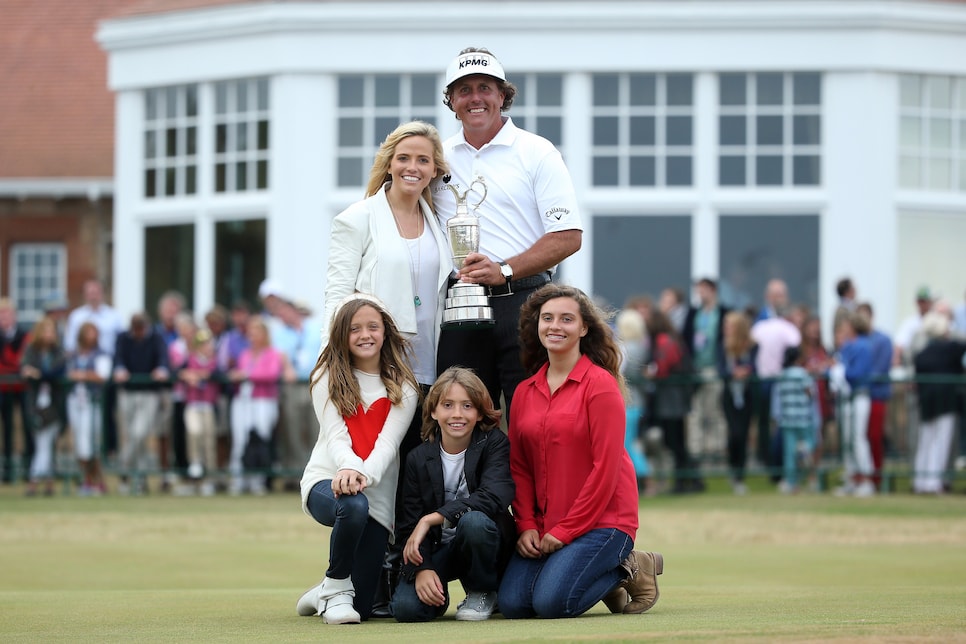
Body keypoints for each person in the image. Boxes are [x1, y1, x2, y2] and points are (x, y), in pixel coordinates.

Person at [322, 119, 453, 615]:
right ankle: (360, 584)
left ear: (434, 168)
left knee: (413, 481)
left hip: (429, 371)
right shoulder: (356, 219)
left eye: (423, 159)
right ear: (389, 163)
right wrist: (332, 374)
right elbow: (336, 299)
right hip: (373, 373)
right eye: (404, 158)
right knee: (373, 475)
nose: (412, 167)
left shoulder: (439, 220)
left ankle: (403, 573)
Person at [498, 284, 663, 619]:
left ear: (584, 328)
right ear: (537, 325)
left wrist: (566, 531)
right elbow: (520, 466)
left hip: (604, 521)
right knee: (514, 605)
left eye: (566, 319)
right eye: (547, 318)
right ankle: (602, 577)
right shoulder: (525, 392)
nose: (555, 326)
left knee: (552, 604)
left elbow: (606, 468)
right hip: (546, 524)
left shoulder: (600, 385)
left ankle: (629, 566)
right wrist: (527, 524)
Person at [434, 46, 582, 417]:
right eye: (464, 90)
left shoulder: (537, 151)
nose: (475, 98)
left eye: (485, 87)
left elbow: (568, 236)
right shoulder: (436, 157)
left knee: (533, 422)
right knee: (461, 422)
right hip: (458, 305)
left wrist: (505, 270)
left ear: (503, 95)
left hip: (525, 302)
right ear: (451, 101)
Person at [296, 294, 420, 624]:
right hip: (327, 480)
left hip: (376, 496)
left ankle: (325, 588)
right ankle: (336, 585)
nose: (365, 335)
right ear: (342, 335)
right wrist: (348, 469)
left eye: (372, 327)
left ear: (385, 332)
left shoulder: (403, 385)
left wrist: (360, 475)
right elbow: (336, 437)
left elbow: (387, 445)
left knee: (362, 609)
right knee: (352, 505)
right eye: (355, 329)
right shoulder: (326, 376)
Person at [391, 366, 515, 622]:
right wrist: (423, 568)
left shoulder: (494, 443)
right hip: (441, 549)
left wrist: (432, 517)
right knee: (406, 609)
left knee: (474, 521)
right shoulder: (417, 458)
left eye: (467, 406)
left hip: (483, 542)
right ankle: (438, 596)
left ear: (479, 412)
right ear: (434, 411)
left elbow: (495, 496)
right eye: (448, 405)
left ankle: (482, 590)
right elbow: (409, 523)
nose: (457, 414)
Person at [227, 315, 285, 496]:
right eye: (250, 333)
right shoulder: (245, 355)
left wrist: (246, 375)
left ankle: (258, 480)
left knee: (261, 438)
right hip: (243, 400)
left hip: (264, 401)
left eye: (256, 332)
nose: (252, 336)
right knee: (240, 439)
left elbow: (271, 374)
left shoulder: (273, 354)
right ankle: (238, 479)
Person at [113, 312, 170, 495]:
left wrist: (161, 370)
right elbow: (118, 358)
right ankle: (140, 480)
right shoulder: (123, 338)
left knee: (140, 433)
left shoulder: (156, 337)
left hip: (149, 393)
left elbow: (163, 358)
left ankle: (123, 468)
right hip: (127, 393)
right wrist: (120, 370)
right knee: (133, 436)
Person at [647, 309, 703, 494]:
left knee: (675, 442)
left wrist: (652, 373)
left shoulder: (663, 341)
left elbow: (663, 368)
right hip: (676, 398)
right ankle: (690, 480)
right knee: (678, 442)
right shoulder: (671, 338)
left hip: (671, 399)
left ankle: (688, 481)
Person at [911, 312, 966, 494]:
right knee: (940, 442)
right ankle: (933, 482)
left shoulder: (922, 354)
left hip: (927, 402)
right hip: (946, 402)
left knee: (926, 441)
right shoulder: (952, 348)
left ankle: (921, 481)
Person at [751, 300, 802, 480]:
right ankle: (778, 466)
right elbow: (795, 350)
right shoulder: (789, 329)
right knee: (782, 425)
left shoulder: (759, 327)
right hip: (783, 381)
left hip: (762, 381)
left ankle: (767, 461)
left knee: (764, 423)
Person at [682, 277, 730, 462]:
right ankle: (696, 450)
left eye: (704, 290)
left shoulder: (723, 312)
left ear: (713, 290)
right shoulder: (694, 313)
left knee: (715, 410)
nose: (700, 294)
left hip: (714, 368)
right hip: (696, 369)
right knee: (695, 411)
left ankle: (715, 449)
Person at [20, 317, 67, 497]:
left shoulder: (58, 352)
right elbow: (24, 368)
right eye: (47, 331)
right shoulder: (31, 350)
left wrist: (38, 373)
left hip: (54, 403)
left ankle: (37, 482)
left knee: (47, 443)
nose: (50, 335)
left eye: (52, 331)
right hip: (35, 403)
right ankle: (44, 482)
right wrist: (31, 372)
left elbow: (56, 372)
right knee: (42, 443)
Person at [830, 313, 876, 497]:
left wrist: (839, 371)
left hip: (859, 395)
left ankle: (866, 479)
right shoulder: (847, 346)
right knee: (847, 439)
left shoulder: (863, 346)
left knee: (858, 438)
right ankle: (851, 478)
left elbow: (856, 372)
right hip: (845, 396)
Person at [66, 322, 113, 496]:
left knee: (91, 443)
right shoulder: (74, 354)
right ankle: (86, 479)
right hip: (75, 400)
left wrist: (83, 375)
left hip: (92, 402)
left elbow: (102, 376)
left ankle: (98, 480)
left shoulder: (101, 354)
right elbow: (68, 373)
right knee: (79, 442)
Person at [717, 310, 757, 495]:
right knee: (734, 433)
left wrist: (746, 371)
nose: (726, 329)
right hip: (730, 395)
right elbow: (721, 369)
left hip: (747, 395)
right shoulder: (722, 347)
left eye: (730, 325)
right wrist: (733, 373)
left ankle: (740, 475)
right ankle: (733, 469)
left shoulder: (751, 346)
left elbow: (756, 366)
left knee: (744, 433)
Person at [771, 346, 819, 494]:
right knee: (809, 444)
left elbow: (777, 399)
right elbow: (810, 393)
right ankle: (804, 453)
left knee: (789, 453)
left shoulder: (782, 376)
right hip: (803, 417)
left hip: (787, 419)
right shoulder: (803, 374)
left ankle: (791, 482)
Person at [614, 308, 652, 492]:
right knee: (632, 442)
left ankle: (645, 479)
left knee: (627, 444)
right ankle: (645, 480)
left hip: (628, 400)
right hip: (636, 400)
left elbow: (619, 372)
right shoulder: (641, 346)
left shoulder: (627, 348)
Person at [856, 303, 894, 489]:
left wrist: (860, 378)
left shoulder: (883, 340)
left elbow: (879, 369)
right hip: (860, 396)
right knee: (858, 437)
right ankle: (859, 476)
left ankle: (876, 477)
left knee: (874, 436)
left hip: (876, 395)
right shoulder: (855, 341)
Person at [180, 329, 221, 496]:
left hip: (208, 405)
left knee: (208, 440)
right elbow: (179, 371)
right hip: (193, 404)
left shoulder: (214, 362)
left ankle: (210, 477)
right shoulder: (190, 360)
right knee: (194, 432)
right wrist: (189, 375)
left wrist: (204, 375)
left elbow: (218, 374)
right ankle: (195, 466)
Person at [0, 297, 31, 483]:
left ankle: (28, 469)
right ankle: (7, 471)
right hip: (3, 388)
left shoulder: (24, 335)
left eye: (8, 314)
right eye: (2, 314)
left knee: (27, 427)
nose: (5, 318)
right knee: (7, 430)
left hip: (22, 388)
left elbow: (23, 361)